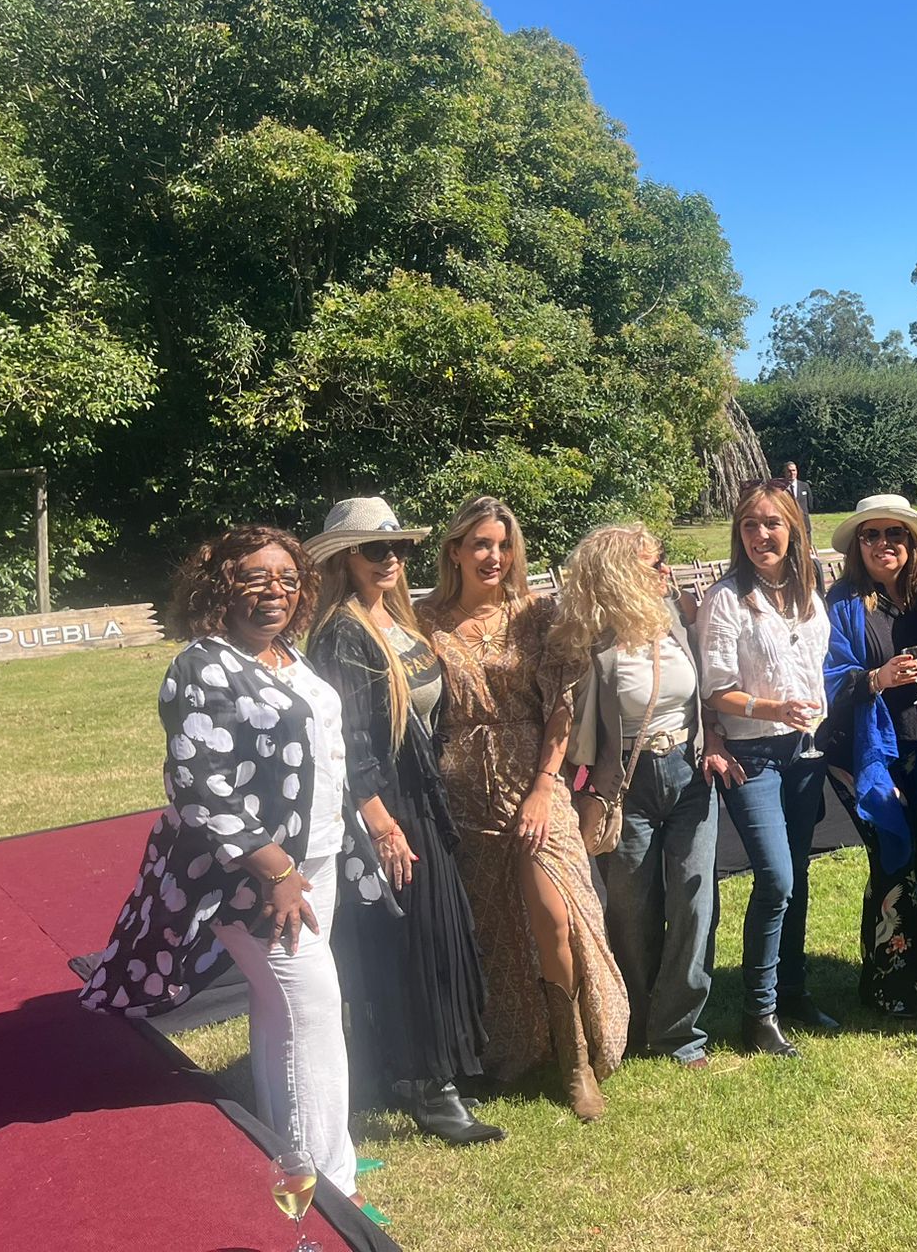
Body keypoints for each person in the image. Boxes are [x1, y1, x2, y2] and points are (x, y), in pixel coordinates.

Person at [82, 527, 394, 1207]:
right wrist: (275, 871)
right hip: (252, 878)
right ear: (220, 588)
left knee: (281, 1009)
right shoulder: (203, 666)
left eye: (287, 578)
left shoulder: (286, 655)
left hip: (316, 860)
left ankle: (301, 1149)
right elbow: (199, 785)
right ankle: (327, 1187)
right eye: (255, 579)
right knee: (312, 1009)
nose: (274, 591)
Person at [417, 497, 628, 1121]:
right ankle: (509, 1046)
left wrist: (542, 784)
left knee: (554, 915)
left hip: (532, 776)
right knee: (490, 925)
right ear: (455, 550)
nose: (495, 556)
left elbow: (562, 706)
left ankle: (575, 1059)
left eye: (504, 544)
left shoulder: (538, 615)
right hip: (460, 787)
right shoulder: (423, 620)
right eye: (481, 543)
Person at [303, 498, 500, 1146]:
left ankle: (438, 1069)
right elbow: (350, 742)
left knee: (439, 937)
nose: (389, 559)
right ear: (344, 559)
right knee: (413, 945)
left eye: (397, 547)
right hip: (387, 807)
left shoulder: (397, 616)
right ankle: (426, 1088)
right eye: (374, 549)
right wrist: (383, 827)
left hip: (421, 796)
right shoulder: (342, 632)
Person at [551, 524, 719, 1069]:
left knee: (694, 900)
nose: (666, 571)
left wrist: (713, 742)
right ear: (620, 574)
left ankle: (679, 1030)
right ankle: (636, 1019)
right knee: (631, 908)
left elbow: (704, 692)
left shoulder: (674, 618)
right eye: (653, 564)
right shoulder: (588, 641)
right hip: (623, 782)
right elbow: (567, 721)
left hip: (689, 771)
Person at [696, 479, 835, 1057]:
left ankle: (793, 990)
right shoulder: (727, 599)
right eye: (749, 525)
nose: (760, 535)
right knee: (775, 877)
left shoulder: (808, 593)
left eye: (771, 523)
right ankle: (759, 1014)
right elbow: (715, 688)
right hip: (752, 757)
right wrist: (773, 708)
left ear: (793, 529)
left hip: (804, 753)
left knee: (796, 874)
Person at [821, 495, 917, 1014]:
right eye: (872, 535)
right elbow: (828, 679)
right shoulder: (841, 603)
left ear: (910, 543)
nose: (884, 543)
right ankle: (884, 986)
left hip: (916, 742)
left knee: (915, 853)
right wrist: (876, 679)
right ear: (858, 546)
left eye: (894, 534)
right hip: (860, 752)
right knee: (890, 853)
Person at [782, 461, 814, 528]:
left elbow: (810, 505)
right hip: (788, 525)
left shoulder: (805, 486)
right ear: (784, 473)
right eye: (789, 471)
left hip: (804, 525)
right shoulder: (781, 489)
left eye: (794, 470)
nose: (792, 473)